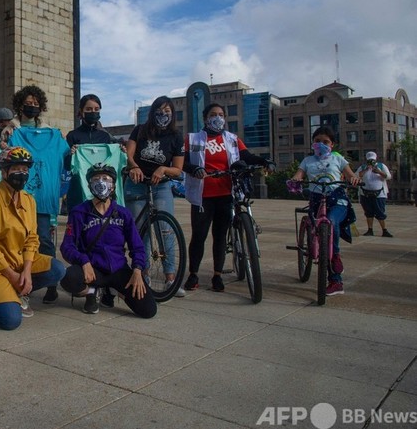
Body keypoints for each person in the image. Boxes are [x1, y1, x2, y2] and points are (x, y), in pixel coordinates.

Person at [0, 147, 66, 330]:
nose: (21, 174)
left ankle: (16, 291)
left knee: (57, 269)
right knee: (11, 321)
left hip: (18, 262)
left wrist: (26, 271)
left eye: (25, 170)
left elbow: (32, 239)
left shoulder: (29, 200)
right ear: (4, 172)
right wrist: (12, 275)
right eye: (16, 169)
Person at [182, 103, 273, 293]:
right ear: (205, 118)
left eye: (221, 114)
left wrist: (264, 161)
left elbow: (246, 156)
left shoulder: (232, 139)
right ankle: (193, 274)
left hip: (225, 195)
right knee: (199, 236)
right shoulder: (192, 139)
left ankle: (217, 275)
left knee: (220, 236)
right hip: (202, 196)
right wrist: (194, 169)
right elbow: (183, 161)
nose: (218, 118)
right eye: (213, 114)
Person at [60, 164, 157, 318]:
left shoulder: (123, 213)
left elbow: (137, 246)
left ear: (113, 185)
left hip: (119, 269)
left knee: (148, 310)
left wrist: (138, 270)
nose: (101, 182)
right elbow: (67, 246)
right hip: (93, 269)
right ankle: (92, 292)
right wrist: (83, 261)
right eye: (96, 179)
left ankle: (112, 290)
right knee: (69, 278)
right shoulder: (79, 212)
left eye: (106, 178)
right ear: (89, 185)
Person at [4, 85, 69, 304]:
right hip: (18, 198)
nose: (32, 107)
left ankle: (51, 284)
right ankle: (21, 280)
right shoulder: (13, 132)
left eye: (35, 103)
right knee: (18, 240)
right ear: (20, 105)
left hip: (43, 200)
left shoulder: (54, 135)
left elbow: (68, 157)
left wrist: (70, 147)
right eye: (28, 103)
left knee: (44, 240)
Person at [125, 96, 186, 298]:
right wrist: (134, 167)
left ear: (172, 114)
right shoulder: (140, 130)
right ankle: (143, 273)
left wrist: (164, 169)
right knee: (140, 231)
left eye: (167, 111)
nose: (163, 115)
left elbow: (178, 169)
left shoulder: (176, 136)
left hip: (161, 186)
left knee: (165, 230)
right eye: (159, 111)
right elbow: (128, 155)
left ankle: (170, 277)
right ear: (152, 113)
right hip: (137, 185)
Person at [290, 126, 360, 296]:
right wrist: (296, 179)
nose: (321, 144)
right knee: (321, 234)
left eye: (325, 142)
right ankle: (330, 269)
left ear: (332, 144)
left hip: (337, 200)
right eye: (317, 141)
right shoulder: (307, 161)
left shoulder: (338, 158)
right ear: (312, 143)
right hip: (317, 201)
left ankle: (335, 269)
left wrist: (354, 179)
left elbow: (350, 174)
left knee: (331, 222)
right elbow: (299, 174)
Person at [64, 94, 122, 210]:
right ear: (81, 111)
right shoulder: (73, 135)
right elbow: (67, 166)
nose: (93, 112)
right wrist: (71, 154)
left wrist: (120, 152)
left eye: (96, 109)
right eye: (89, 109)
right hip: (78, 189)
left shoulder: (105, 136)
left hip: (101, 190)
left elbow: (111, 165)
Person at [356, 152, 393, 237]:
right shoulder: (362, 167)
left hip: (379, 194)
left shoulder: (381, 166)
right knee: (368, 212)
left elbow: (388, 176)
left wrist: (379, 172)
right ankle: (370, 229)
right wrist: (366, 169)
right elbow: (356, 175)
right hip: (365, 194)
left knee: (380, 212)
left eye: (372, 160)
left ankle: (384, 230)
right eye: (369, 161)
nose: (371, 162)